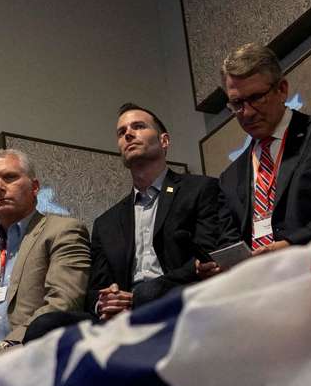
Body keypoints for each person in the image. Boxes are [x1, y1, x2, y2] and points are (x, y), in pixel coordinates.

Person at [88, 103, 238, 319]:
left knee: (148, 293)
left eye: (138, 126)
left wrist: (137, 297)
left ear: (164, 141)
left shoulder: (200, 189)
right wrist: (105, 302)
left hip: (181, 298)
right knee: (46, 323)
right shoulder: (105, 223)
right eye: (122, 132)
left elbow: (207, 256)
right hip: (121, 314)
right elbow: (94, 289)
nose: (128, 134)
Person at [217, 44, 311, 253]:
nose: (247, 112)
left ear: (282, 89)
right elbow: (229, 241)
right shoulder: (230, 177)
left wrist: (290, 245)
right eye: (237, 104)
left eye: (256, 98)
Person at [0, 149, 90, 369]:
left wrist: (0, 349)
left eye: (9, 177)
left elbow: (63, 303)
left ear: (34, 187)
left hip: (34, 348)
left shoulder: (63, 231)